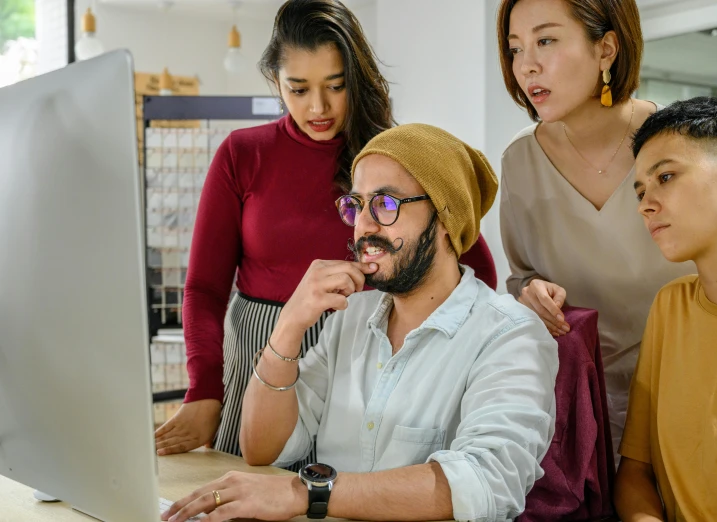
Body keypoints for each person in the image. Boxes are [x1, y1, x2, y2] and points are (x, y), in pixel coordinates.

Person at [154, 0, 498, 464]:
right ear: (275, 81)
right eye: (298, 89)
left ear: (355, 80)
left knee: (348, 492)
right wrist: (204, 391)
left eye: (336, 86)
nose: (318, 107)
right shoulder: (242, 153)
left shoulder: (388, 159)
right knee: (252, 486)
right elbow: (203, 288)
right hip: (264, 351)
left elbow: (473, 264)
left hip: (364, 353)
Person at [161, 124, 558, 522]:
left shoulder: (510, 335)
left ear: (445, 218)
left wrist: (307, 493)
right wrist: (289, 325)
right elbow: (264, 448)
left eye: (385, 204)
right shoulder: (349, 322)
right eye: (356, 205)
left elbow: (485, 482)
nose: (364, 225)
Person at [495, 0, 717, 455]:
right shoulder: (519, 161)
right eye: (514, 49)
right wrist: (530, 292)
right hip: (579, 417)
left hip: (699, 403)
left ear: (607, 48)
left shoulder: (682, 145)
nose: (525, 66)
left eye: (546, 40)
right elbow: (522, 275)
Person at [614, 97, 717, 521]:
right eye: (640, 191)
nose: (645, 205)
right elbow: (636, 471)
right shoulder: (671, 309)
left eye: (666, 177)